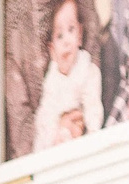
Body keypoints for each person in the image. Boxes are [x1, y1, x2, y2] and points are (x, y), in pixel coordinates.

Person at [31, 0, 104, 153]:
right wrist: (54, 135)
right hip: (55, 141)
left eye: (71, 30)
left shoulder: (87, 70)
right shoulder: (51, 80)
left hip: (82, 141)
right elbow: (45, 115)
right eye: (59, 36)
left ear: (80, 36)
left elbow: (93, 109)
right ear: (52, 50)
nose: (66, 42)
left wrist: (91, 135)